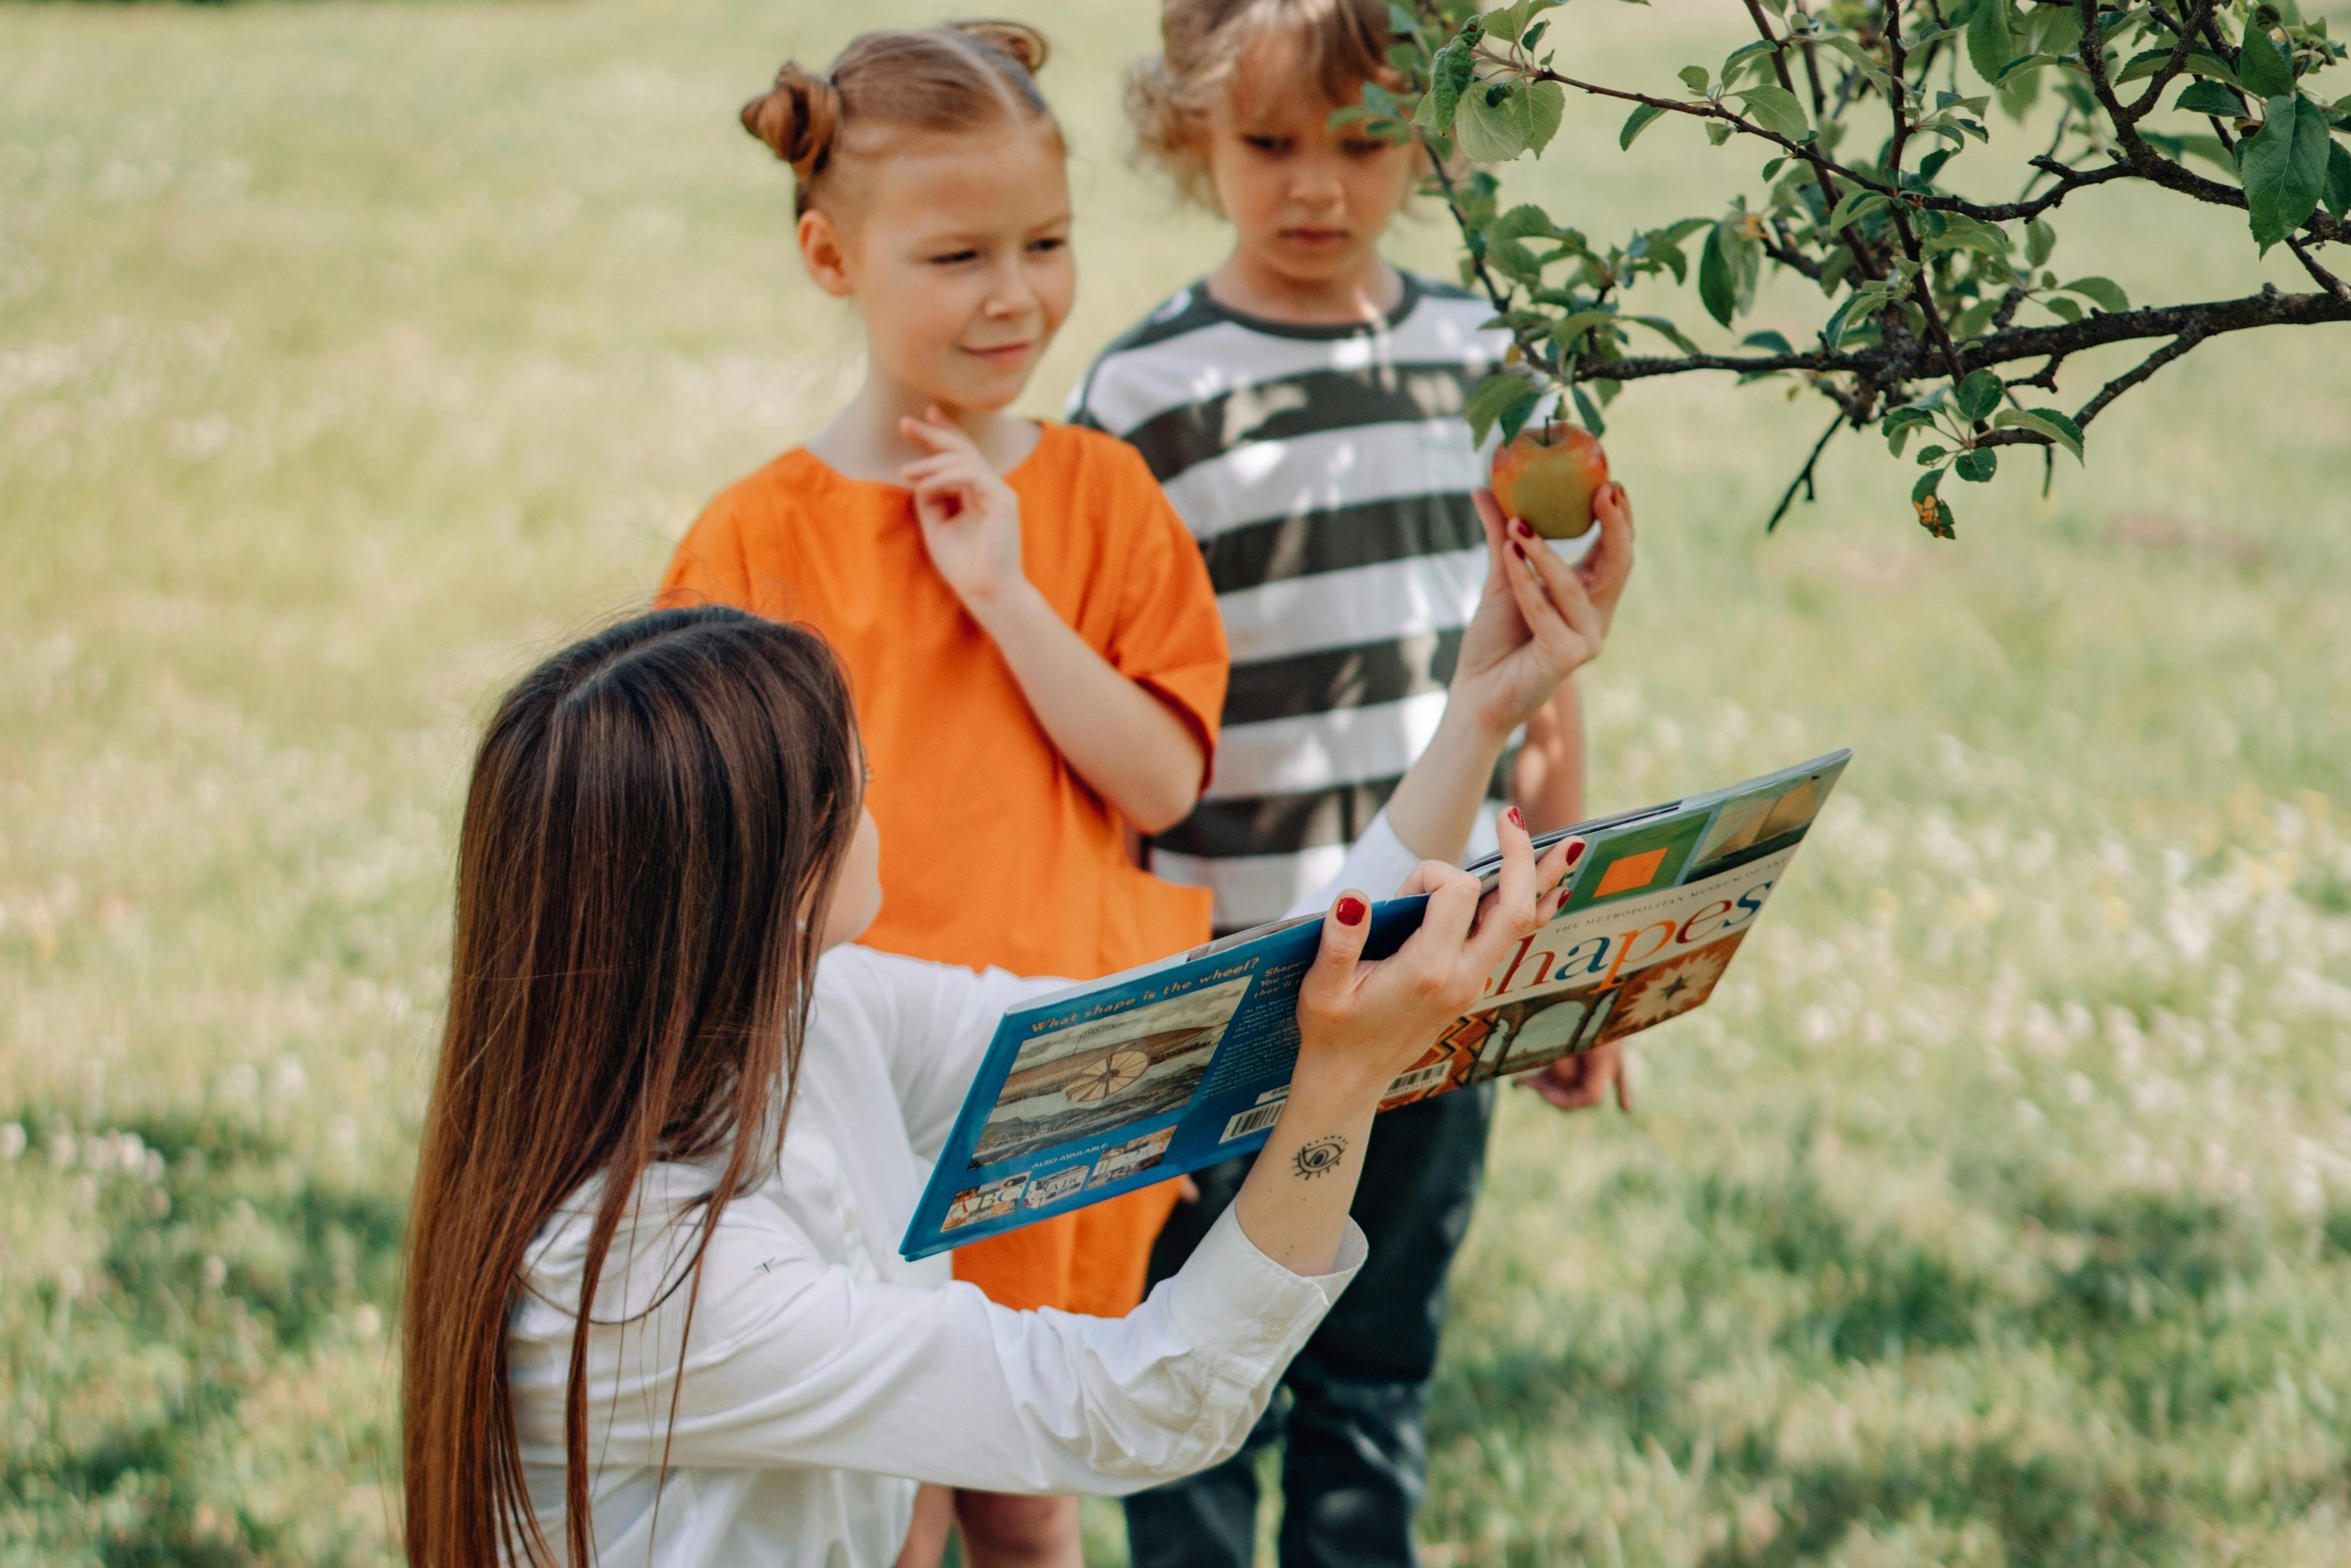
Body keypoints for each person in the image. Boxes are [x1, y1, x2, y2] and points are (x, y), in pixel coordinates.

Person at [398, 477, 1635, 1567]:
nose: (877, 787)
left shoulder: (807, 1009)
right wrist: (1338, 1092)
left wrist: (1478, 707)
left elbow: (1200, 1035)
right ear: (761, 887)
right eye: (853, 779)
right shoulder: (645, 1283)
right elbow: (1145, 1405)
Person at [1064, 5, 1632, 1565]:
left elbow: (1543, 676)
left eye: (1365, 141)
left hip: (1438, 968)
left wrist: (1562, 961)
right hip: (1219, 988)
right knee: (1188, 1385)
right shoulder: (1146, 395)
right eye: (1268, 145)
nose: (1315, 186)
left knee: (1372, 1369)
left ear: (1433, 135)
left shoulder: (1492, 366)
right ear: (1192, 132)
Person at [657, 25, 1228, 1564]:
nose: (1013, 294)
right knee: (893, 1498)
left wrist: (1005, 595)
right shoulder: (758, 542)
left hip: (1051, 1069)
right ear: (832, 257)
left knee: (1028, 1495)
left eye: (1046, 244)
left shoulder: (1105, 498)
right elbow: (712, 852)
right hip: (844, 1101)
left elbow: (1164, 774)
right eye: (957, 253)